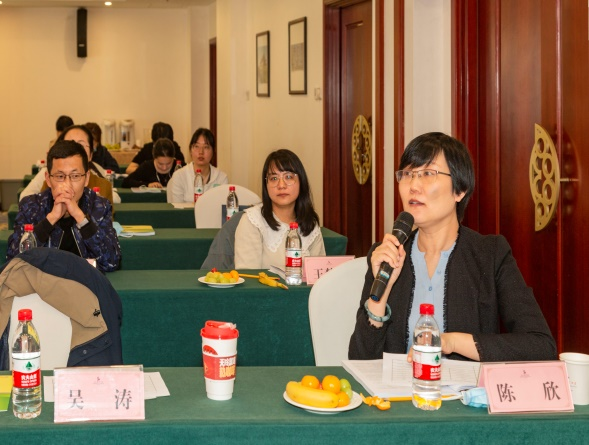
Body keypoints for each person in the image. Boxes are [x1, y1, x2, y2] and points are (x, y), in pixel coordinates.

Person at [348, 132, 557, 363]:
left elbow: (540, 345)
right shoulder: (387, 254)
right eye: (407, 174)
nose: (413, 186)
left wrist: (451, 343)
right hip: (399, 387)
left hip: (464, 387)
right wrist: (380, 298)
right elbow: (360, 361)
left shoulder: (490, 255)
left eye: (428, 173)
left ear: (460, 190)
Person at [6, 140, 121, 273]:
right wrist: (51, 219)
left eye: (75, 176)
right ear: (48, 179)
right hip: (43, 282)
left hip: (84, 282)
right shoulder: (31, 206)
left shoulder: (99, 207)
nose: (67, 184)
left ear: (87, 178)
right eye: (60, 176)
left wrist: (80, 217)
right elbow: (14, 259)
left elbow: (111, 261)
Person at [234, 149, 325, 269]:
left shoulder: (310, 223)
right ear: (266, 185)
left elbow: (319, 274)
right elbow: (248, 276)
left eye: (288, 177)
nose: (281, 185)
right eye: (274, 178)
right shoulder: (252, 221)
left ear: (301, 181)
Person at [20, 125, 119, 205]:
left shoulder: (100, 178)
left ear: (91, 154)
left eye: (81, 145)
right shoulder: (48, 182)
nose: (74, 150)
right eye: (69, 144)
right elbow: (26, 200)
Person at [166, 128, 228, 203]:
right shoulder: (179, 176)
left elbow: (221, 207)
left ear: (213, 152)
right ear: (190, 150)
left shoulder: (221, 178)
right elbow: (177, 208)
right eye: (196, 146)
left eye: (206, 147)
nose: (201, 152)